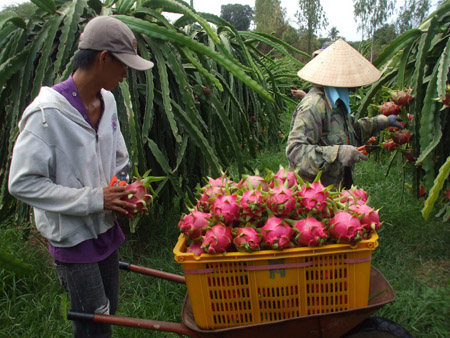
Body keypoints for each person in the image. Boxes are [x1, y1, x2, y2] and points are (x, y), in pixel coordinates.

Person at [8, 16, 154, 337]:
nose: (126, 74)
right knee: (94, 322)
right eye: (123, 65)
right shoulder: (46, 115)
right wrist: (93, 199)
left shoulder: (109, 101)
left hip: (105, 228)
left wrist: (122, 194)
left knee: (108, 311)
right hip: (73, 237)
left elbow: (118, 158)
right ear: (102, 58)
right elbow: (22, 182)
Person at [286, 38, 403, 189]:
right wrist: (338, 153)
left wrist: (383, 121)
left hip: (335, 190)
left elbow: (354, 129)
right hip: (312, 197)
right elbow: (295, 152)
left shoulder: (337, 103)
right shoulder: (314, 106)